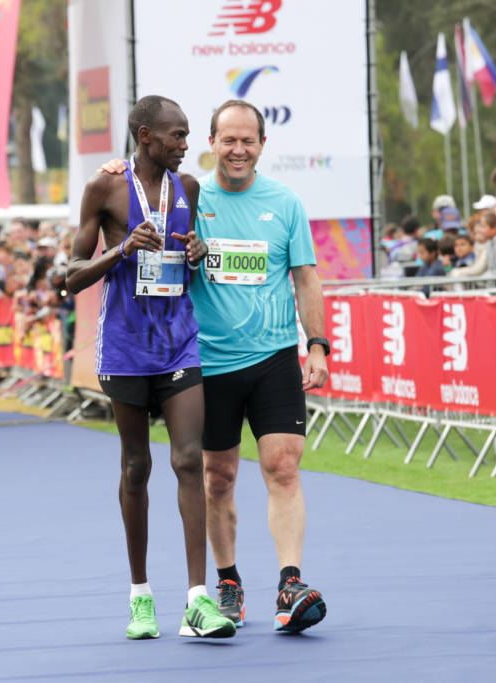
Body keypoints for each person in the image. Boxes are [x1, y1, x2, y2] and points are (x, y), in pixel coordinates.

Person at [102, 99, 330, 633]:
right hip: (209, 358)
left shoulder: (286, 202)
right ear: (210, 143)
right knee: (218, 475)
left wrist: (316, 344)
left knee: (283, 465)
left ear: (262, 146)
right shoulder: (187, 194)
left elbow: (306, 279)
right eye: (228, 140)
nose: (238, 149)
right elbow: (136, 187)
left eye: (248, 140)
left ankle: (290, 582)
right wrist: (116, 164)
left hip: (274, 354)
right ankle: (227, 583)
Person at [67, 95, 234, 641]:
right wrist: (121, 251)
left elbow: (194, 256)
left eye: (187, 136)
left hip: (179, 344)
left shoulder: (188, 189)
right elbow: (68, 276)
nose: (186, 145)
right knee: (137, 467)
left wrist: (196, 251)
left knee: (190, 460)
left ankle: (197, 601)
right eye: (177, 136)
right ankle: (140, 597)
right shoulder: (105, 188)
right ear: (145, 136)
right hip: (124, 347)